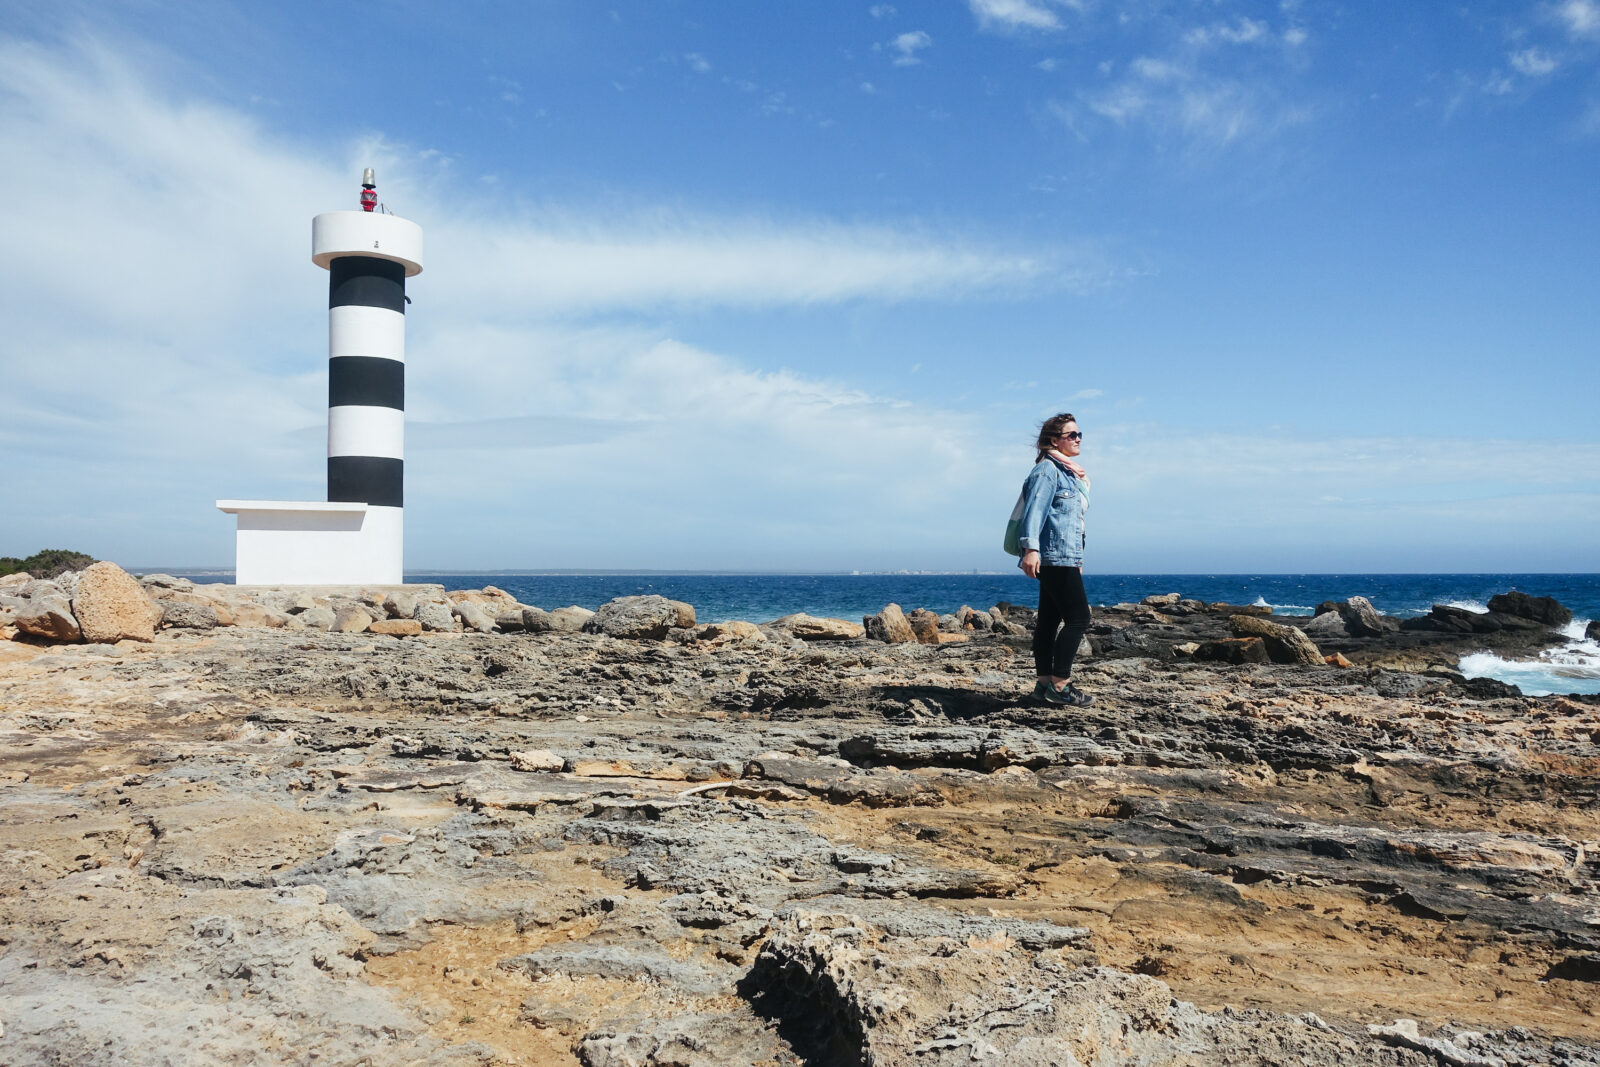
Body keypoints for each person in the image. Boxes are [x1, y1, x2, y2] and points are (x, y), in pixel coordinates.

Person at [1017, 412, 1094, 707]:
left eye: (1079, 434)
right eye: (1071, 435)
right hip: (1052, 555)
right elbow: (1033, 512)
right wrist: (1031, 549)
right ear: (1054, 440)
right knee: (1079, 618)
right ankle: (1061, 686)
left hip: (1064, 556)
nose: (1078, 439)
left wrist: (1077, 557)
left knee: (1049, 621)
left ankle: (1043, 685)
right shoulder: (1047, 471)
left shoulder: (1069, 473)